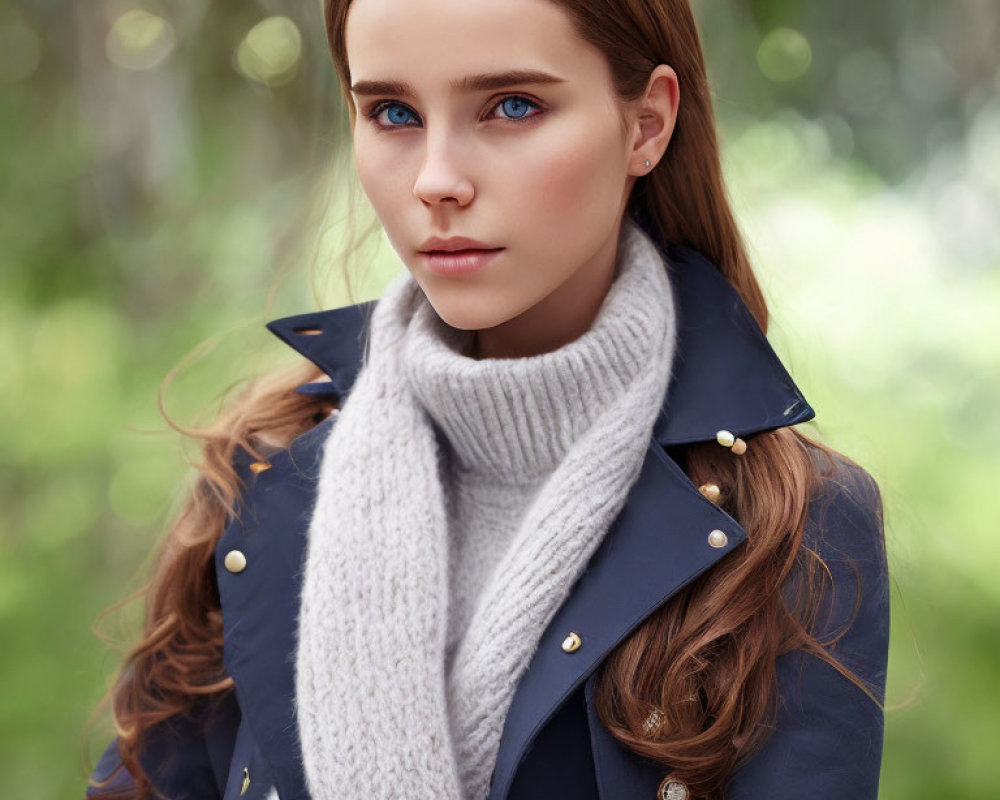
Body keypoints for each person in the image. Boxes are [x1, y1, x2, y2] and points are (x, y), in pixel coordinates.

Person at [85, 0, 890, 798]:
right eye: (393, 112)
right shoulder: (263, 464)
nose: (436, 180)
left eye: (512, 106)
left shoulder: (796, 523)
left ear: (645, 125)